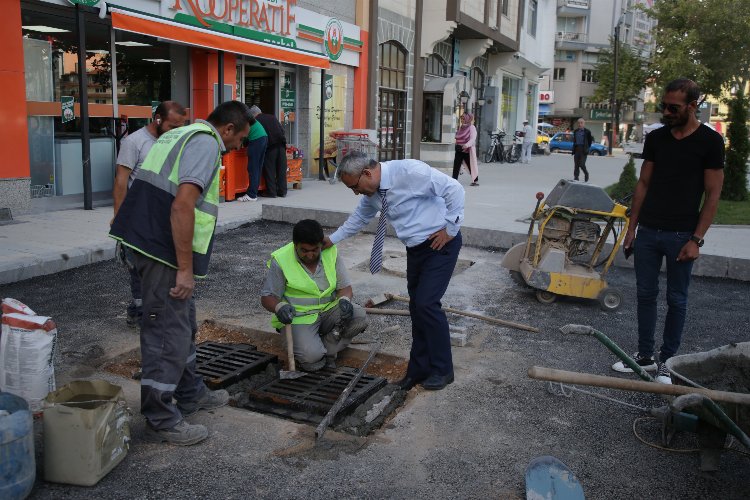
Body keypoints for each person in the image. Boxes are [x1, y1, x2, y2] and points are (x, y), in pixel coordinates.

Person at [109, 101, 254, 445]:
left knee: (183, 322)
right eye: (241, 138)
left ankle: (191, 393)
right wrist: (185, 270)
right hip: (161, 249)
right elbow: (182, 204)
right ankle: (160, 417)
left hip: (151, 240)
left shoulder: (183, 134)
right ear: (229, 129)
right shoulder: (205, 142)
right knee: (165, 332)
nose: (239, 147)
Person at [613, 78, 724, 384]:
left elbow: (713, 195)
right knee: (645, 295)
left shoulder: (710, 142)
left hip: (681, 236)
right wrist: (632, 229)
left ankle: (668, 363)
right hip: (648, 231)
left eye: (673, 107)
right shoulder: (657, 138)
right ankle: (645, 356)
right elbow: (643, 183)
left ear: (692, 106)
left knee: (677, 299)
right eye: (663, 106)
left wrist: (696, 239)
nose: (666, 111)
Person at [326, 151, 465, 391]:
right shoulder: (373, 194)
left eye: (355, 187)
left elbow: (454, 190)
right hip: (416, 249)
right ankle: (418, 369)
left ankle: (443, 370)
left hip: (441, 244)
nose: (356, 192)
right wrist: (331, 239)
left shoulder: (410, 172)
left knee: (427, 304)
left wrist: (451, 230)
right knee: (416, 307)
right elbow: (358, 219)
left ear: (367, 173)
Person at [112, 101, 187, 327]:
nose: (176, 131)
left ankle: (152, 308)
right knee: (138, 266)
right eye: (172, 126)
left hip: (163, 215)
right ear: (157, 119)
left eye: (180, 126)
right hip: (137, 217)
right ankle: (139, 311)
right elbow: (121, 181)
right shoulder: (134, 142)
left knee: (160, 265)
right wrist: (119, 218)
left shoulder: (174, 140)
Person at [261, 219, 368, 371]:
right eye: (304, 250)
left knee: (359, 317)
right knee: (312, 362)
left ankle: (329, 351)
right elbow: (267, 297)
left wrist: (344, 300)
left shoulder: (330, 252)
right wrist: (279, 307)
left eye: (315, 250)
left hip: (328, 310)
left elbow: (345, 287)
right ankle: (314, 350)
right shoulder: (281, 260)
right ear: (295, 244)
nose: (310, 255)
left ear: (321, 244)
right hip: (299, 318)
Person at [253, 106, 288, 198]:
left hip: (270, 146)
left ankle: (271, 192)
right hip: (281, 145)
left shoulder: (256, 120)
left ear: (254, 114)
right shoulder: (272, 117)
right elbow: (282, 130)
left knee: (270, 170)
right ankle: (282, 191)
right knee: (281, 170)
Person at [237, 105, 267, 202]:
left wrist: (240, 144)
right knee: (257, 168)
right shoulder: (250, 119)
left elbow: (243, 135)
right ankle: (254, 192)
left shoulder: (244, 120)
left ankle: (251, 195)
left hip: (256, 140)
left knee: (252, 168)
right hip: (263, 138)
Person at [452, 112, 479, 186]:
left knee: (471, 165)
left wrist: (466, 145)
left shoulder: (472, 127)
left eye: (463, 119)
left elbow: (473, 138)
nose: (462, 120)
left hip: (467, 150)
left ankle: (475, 180)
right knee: (456, 165)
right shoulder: (461, 127)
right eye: (461, 118)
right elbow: (457, 137)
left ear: (468, 119)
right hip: (459, 149)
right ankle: (454, 181)